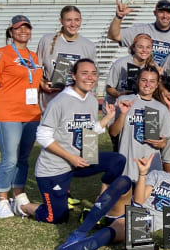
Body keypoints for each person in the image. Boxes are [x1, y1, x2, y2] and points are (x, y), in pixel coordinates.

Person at [29, 143, 170, 250]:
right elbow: (141, 198)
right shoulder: (160, 175)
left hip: (144, 224)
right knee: (125, 181)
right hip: (133, 207)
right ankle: (78, 233)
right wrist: (143, 174)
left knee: (110, 233)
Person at [14, 59, 125, 222]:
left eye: (94, 73)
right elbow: (43, 136)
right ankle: (21, 206)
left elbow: (89, 132)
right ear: (73, 76)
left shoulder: (91, 100)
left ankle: (101, 200)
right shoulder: (59, 102)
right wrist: (71, 157)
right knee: (56, 217)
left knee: (117, 160)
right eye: (84, 73)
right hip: (55, 168)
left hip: (79, 161)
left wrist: (107, 118)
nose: (90, 77)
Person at [0, 15, 43, 218]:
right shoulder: (1, 53)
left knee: (24, 158)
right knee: (9, 158)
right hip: (7, 112)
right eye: (18, 28)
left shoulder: (34, 56)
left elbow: (33, 82)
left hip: (32, 113)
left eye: (27, 27)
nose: (23, 31)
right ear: (11, 32)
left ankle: (18, 195)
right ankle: (2, 199)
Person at [109, 66, 170, 184]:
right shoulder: (124, 100)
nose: (147, 84)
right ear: (138, 81)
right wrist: (123, 114)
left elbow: (165, 142)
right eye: (144, 80)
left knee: (144, 200)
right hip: (127, 163)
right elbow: (113, 132)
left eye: (152, 81)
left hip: (151, 165)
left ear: (156, 85)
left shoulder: (162, 108)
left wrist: (162, 143)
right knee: (125, 200)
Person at [104, 33, 159, 151]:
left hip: (138, 108)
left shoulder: (152, 66)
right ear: (133, 48)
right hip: (118, 108)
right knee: (119, 143)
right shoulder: (121, 64)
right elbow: (109, 89)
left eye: (148, 47)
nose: (144, 50)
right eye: (140, 47)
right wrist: (120, 94)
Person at [37, 5, 96, 110]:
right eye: (69, 20)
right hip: (50, 103)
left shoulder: (89, 46)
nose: (73, 24)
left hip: (76, 105)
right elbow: (36, 69)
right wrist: (42, 84)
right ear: (61, 21)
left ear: (81, 21)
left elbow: (92, 76)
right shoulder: (47, 41)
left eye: (77, 20)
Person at [107, 0, 170, 66]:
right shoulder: (140, 30)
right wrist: (119, 17)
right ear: (155, 13)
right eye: (161, 12)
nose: (165, 16)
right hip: (145, 81)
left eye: (168, 12)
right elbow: (113, 36)